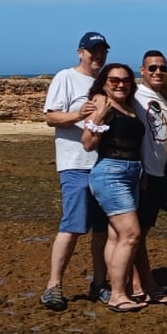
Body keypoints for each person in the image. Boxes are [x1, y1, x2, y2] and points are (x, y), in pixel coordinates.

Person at [38, 32, 111, 311]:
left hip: (104, 166)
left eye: (103, 51)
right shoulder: (65, 78)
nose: (98, 56)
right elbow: (51, 117)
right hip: (75, 165)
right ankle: (53, 286)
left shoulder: (105, 82)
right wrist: (80, 114)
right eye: (93, 51)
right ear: (80, 52)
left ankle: (99, 283)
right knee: (72, 226)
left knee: (102, 230)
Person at [80, 63, 147, 312]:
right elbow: (87, 143)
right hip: (110, 172)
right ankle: (118, 295)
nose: (120, 84)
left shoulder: (128, 106)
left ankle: (119, 289)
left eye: (125, 80)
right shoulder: (101, 102)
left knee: (116, 235)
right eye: (114, 80)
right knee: (131, 234)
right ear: (104, 82)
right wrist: (98, 116)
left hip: (131, 173)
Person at [130, 50, 167, 304]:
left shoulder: (163, 96)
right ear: (142, 70)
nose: (158, 72)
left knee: (141, 232)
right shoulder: (135, 95)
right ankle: (142, 283)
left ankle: (137, 281)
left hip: (159, 172)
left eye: (162, 68)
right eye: (152, 68)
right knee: (135, 233)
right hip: (142, 173)